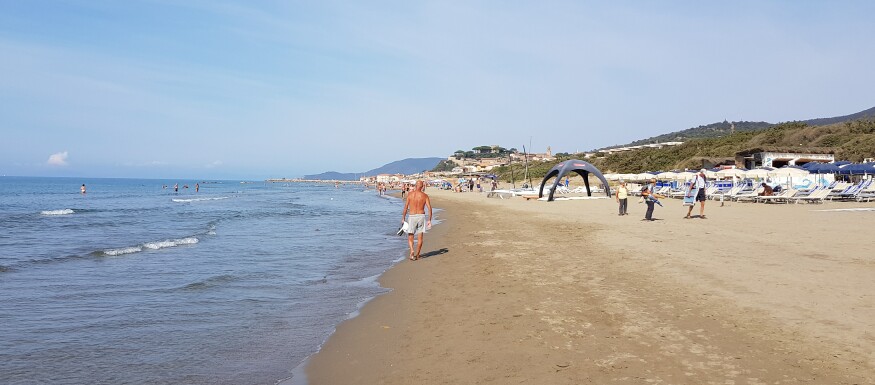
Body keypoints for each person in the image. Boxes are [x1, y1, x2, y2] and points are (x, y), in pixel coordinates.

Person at [401, 180, 432, 261]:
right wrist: (429, 220)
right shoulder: (424, 196)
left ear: (415, 186)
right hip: (421, 216)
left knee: (410, 236)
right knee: (420, 237)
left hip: (412, 216)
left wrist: (403, 218)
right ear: (422, 187)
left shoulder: (410, 195)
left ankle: (412, 251)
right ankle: (417, 255)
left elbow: (405, 207)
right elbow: (429, 208)